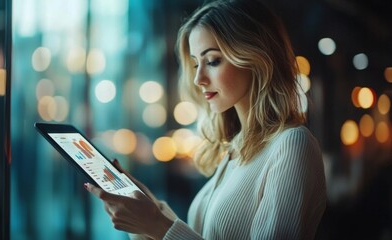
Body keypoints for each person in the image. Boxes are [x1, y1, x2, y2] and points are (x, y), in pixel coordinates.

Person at [85, 0, 327, 239]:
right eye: (195, 64)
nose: (198, 78)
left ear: (255, 57)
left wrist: (159, 226)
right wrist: (150, 212)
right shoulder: (238, 148)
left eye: (212, 61)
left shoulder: (292, 145)